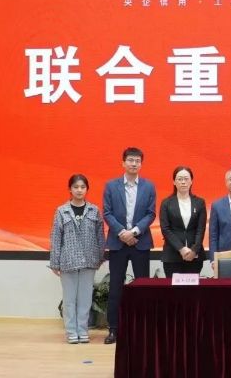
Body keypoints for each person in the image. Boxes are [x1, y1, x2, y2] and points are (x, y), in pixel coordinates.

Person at [102, 147, 156, 344]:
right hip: (118, 243)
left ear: (141, 164)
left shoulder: (149, 186)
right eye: (131, 160)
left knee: (143, 288)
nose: (134, 163)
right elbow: (107, 213)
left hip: (140, 242)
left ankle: (142, 328)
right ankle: (113, 329)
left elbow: (151, 213)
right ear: (123, 163)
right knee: (115, 287)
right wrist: (122, 233)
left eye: (137, 161)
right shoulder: (111, 186)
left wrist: (133, 232)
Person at [49, 174, 105, 344]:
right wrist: (55, 263)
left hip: (89, 260)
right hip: (68, 261)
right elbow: (56, 237)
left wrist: (100, 257)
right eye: (76, 187)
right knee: (69, 299)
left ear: (87, 189)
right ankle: (71, 331)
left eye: (82, 187)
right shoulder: (61, 211)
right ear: (70, 189)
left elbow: (100, 236)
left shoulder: (94, 211)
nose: (79, 190)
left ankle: (83, 330)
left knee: (85, 299)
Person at [159, 166, 207, 277]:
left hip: (194, 256)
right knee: (174, 288)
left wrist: (194, 250)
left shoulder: (199, 202)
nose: (183, 182)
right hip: (172, 256)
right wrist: (181, 249)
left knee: (192, 288)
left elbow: (201, 229)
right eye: (180, 179)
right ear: (174, 182)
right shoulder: (166, 203)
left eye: (186, 179)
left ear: (191, 181)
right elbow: (165, 229)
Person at [209, 169, 231, 267]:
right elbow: (213, 235)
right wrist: (213, 259)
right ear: (226, 182)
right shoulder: (217, 205)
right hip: (224, 253)